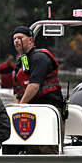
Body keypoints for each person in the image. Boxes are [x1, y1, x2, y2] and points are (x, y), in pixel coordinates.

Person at [12, 25, 65, 153]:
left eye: (20, 38)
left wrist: (21, 107)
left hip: (49, 110)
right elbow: (18, 89)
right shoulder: (23, 61)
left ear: (30, 40)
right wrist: (16, 108)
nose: (16, 41)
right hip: (31, 111)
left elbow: (34, 85)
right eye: (14, 39)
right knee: (29, 147)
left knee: (46, 148)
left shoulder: (40, 58)